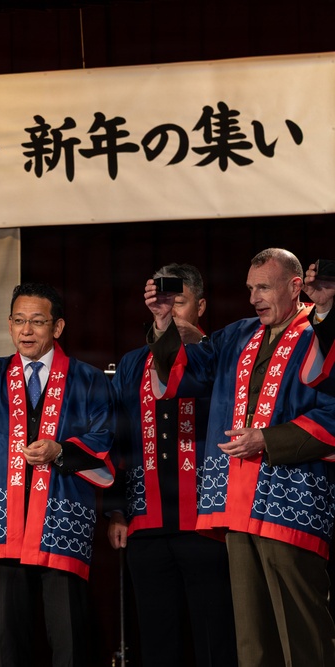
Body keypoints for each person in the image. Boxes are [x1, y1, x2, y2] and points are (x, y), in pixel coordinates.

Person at [147, 249, 335, 666]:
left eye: (263, 287)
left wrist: (267, 439)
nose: (254, 298)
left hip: (292, 496)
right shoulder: (237, 334)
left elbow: (332, 412)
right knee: (251, 633)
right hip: (236, 498)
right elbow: (184, 375)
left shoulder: (321, 333)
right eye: (250, 289)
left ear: (295, 285)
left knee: (300, 627)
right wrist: (163, 323)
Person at [0, 283, 115, 667]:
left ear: (58, 327)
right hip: (0, 522)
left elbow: (104, 438)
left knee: (68, 638)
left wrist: (61, 449)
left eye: (37, 321)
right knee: (9, 640)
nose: (26, 331)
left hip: (58, 521)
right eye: (18, 321)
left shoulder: (88, 379)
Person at [106, 264, 236, 667]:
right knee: (158, 638)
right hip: (146, 522)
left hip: (207, 520)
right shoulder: (132, 363)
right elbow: (117, 435)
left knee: (216, 634)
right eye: (161, 304)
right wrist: (115, 509)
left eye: (178, 302)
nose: (170, 311)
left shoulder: (220, 357)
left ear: (200, 306)